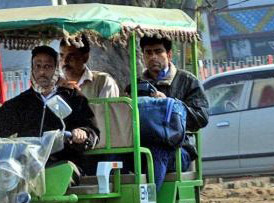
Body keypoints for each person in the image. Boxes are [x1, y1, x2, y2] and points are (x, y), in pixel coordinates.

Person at [0, 45, 99, 171]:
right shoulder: (23, 101)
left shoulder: (73, 97)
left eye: (47, 66)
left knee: (62, 175)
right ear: (32, 69)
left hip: (64, 163)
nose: (42, 72)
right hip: (27, 166)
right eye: (38, 66)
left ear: (56, 69)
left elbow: (92, 131)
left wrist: (82, 133)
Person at [137, 36, 209, 189]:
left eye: (158, 51)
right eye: (148, 53)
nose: (153, 57)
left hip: (178, 148)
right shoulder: (137, 84)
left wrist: (171, 105)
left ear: (169, 55)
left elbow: (201, 116)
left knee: (157, 153)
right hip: (141, 146)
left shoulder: (187, 81)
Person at [59, 34, 120, 99]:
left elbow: (106, 109)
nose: (64, 61)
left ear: (85, 57)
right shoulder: (55, 84)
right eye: (61, 55)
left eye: (71, 56)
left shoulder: (103, 82)